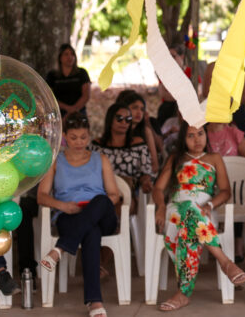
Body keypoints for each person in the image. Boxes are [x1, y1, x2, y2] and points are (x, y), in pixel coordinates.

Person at [152, 123, 245, 311]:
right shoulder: (175, 159)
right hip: (175, 210)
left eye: (200, 134)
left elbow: (226, 191)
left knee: (191, 222)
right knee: (189, 209)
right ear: (183, 139)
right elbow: (158, 189)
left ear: (206, 135)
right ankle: (225, 261)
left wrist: (209, 205)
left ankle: (183, 294)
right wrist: (161, 206)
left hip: (205, 210)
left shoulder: (214, 158)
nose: (197, 139)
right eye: (190, 135)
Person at [38, 112, 121, 317]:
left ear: (89, 136)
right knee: (90, 232)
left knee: (100, 200)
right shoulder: (56, 161)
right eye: (73, 138)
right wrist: (63, 206)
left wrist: (92, 208)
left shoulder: (100, 159)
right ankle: (94, 301)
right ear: (65, 136)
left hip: (102, 215)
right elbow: (41, 196)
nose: (79, 142)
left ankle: (59, 250)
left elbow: (114, 195)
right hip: (69, 215)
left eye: (83, 137)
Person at [89, 104, 154, 198]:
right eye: (119, 118)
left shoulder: (138, 143)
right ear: (110, 120)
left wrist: (145, 182)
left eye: (128, 119)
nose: (124, 122)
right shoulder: (96, 145)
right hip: (101, 191)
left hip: (128, 194)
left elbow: (146, 172)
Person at [116, 90, 161, 175]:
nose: (139, 112)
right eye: (135, 107)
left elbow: (155, 165)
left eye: (142, 109)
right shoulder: (117, 129)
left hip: (143, 176)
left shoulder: (146, 131)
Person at [46, 43, 91, 117]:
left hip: (79, 111)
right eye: (66, 54)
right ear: (60, 57)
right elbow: (49, 97)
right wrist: (67, 109)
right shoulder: (52, 75)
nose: (70, 57)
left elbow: (86, 95)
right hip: (59, 112)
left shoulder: (82, 73)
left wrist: (74, 109)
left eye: (72, 54)